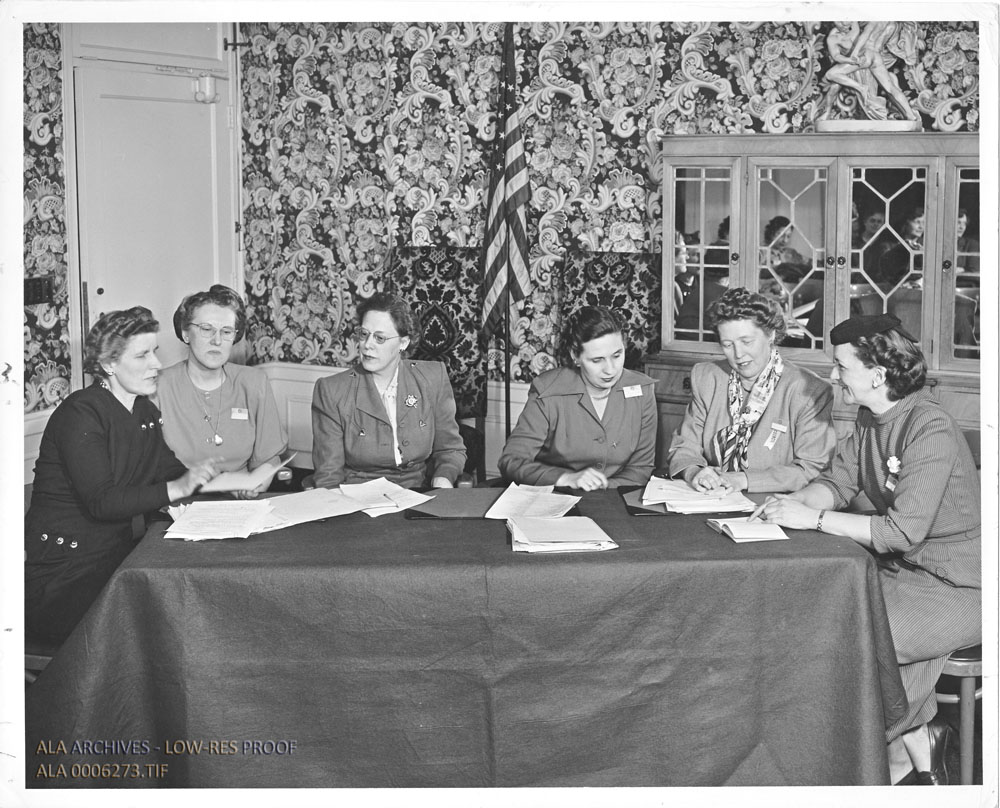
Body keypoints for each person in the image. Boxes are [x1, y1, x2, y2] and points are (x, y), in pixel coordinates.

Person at [754, 313, 980, 785]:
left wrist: (813, 520)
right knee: (820, 615)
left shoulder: (930, 426)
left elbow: (901, 531)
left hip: (963, 584)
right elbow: (838, 482)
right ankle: (911, 743)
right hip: (904, 572)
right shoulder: (869, 418)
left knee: (857, 636)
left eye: (841, 366)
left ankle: (873, 754)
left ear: (877, 374)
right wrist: (791, 505)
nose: (833, 376)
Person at [25, 307, 219, 643]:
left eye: (154, 352)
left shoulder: (144, 410)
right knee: (166, 623)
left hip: (116, 561)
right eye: (142, 355)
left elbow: (170, 471)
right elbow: (103, 502)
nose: (156, 364)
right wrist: (177, 488)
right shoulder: (80, 412)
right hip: (65, 575)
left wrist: (227, 490)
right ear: (108, 364)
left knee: (187, 607)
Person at [666, 287, 836, 494]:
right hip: (712, 499)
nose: (738, 354)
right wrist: (694, 472)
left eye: (746, 342)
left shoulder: (808, 390)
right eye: (727, 344)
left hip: (777, 502)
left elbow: (812, 468)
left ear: (771, 335)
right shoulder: (707, 378)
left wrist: (743, 480)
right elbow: (684, 446)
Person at [311, 292, 466, 489]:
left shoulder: (432, 378)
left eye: (380, 338)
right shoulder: (332, 390)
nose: (367, 345)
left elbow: (450, 450)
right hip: (359, 498)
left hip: (418, 493)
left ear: (403, 343)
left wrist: (443, 478)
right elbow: (329, 477)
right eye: (364, 334)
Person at [499, 306, 657, 491]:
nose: (610, 369)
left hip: (615, 497)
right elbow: (512, 461)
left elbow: (640, 470)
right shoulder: (547, 391)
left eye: (617, 355)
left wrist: (600, 489)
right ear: (575, 355)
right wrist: (565, 478)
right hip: (555, 495)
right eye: (597, 360)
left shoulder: (643, 390)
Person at [157, 285, 287, 498]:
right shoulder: (159, 386)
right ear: (186, 333)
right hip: (181, 502)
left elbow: (269, 457)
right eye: (206, 329)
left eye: (226, 332)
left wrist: (255, 485)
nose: (217, 340)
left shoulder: (253, 382)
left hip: (240, 503)